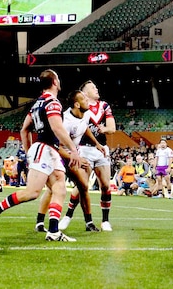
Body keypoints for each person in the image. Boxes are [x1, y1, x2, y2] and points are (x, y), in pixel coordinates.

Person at [0, 69, 83, 242]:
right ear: (55, 82)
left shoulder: (37, 103)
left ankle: (53, 231)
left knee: (59, 187)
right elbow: (57, 128)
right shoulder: (53, 103)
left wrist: (29, 153)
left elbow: (24, 129)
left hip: (46, 150)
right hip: (46, 148)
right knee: (32, 192)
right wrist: (73, 149)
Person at [38, 90, 98, 234]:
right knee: (53, 189)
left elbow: (85, 128)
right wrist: (73, 157)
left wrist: (97, 143)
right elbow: (56, 145)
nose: (87, 101)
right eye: (84, 99)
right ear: (77, 104)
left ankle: (88, 222)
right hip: (57, 155)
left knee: (83, 186)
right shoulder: (65, 120)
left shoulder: (87, 114)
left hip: (72, 155)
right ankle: (40, 222)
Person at [63, 80, 116, 231]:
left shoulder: (104, 106)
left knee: (106, 185)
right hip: (84, 149)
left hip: (101, 149)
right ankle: (68, 215)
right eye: (93, 87)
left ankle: (105, 221)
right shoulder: (80, 108)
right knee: (81, 185)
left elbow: (112, 128)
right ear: (84, 93)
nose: (97, 89)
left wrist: (103, 129)